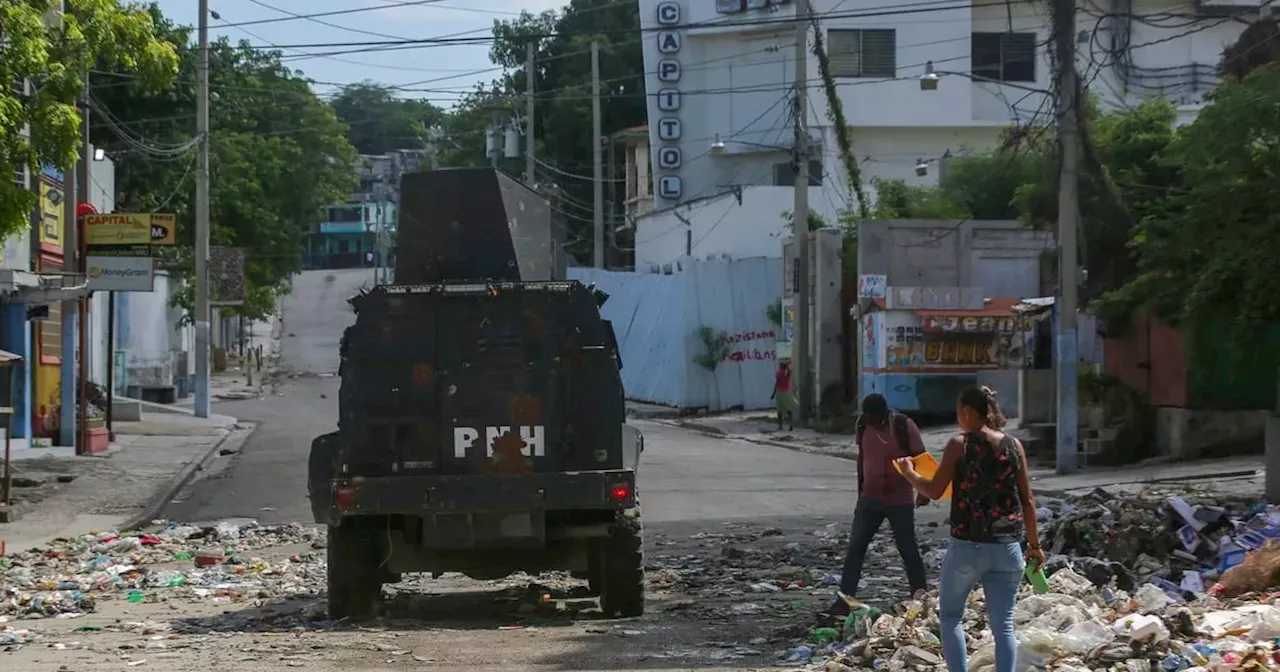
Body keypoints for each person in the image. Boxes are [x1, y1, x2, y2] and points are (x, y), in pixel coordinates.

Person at [895, 386, 1043, 672]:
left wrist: (910, 474)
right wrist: (1035, 546)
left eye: (958, 412)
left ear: (966, 411)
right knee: (1004, 627)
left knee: (950, 617)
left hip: (968, 548)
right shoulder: (1014, 445)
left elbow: (936, 490)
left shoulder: (958, 444)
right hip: (1009, 548)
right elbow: (1027, 499)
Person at [826, 393, 929, 616]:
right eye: (870, 417)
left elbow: (921, 458)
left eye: (877, 417)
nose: (874, 421)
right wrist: (860, 491)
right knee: (855, 550)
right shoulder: (863, 425)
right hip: (870, 499)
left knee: (908, 550)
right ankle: (844, 602)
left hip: (899, 499)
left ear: (884, 413)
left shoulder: (902, 426)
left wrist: (923, 489)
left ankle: (921, 599)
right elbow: (863, 460)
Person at [770, 361, 797, 431]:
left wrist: (773, 394)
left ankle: (780, 426)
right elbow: (790, 373)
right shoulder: (786, 373)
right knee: (788, 410)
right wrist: (787, 366)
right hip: (786, 393)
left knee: (779, 411)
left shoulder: (779, 373)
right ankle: (791, 425)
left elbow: (777, 384)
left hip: (780, 393)